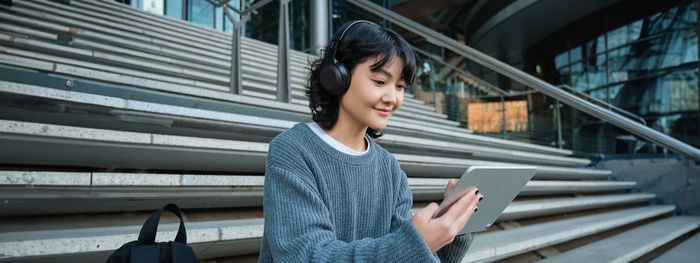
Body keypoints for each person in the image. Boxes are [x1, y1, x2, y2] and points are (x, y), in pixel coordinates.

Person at [258, 20, 483, 263]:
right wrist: (413, 244)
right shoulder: (293, 149)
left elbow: (406, 257)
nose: (392, 98)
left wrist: (453, 227)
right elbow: (306, 256)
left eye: (400, 86)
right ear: (337, 76)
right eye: (380, 82)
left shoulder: (389, 168)